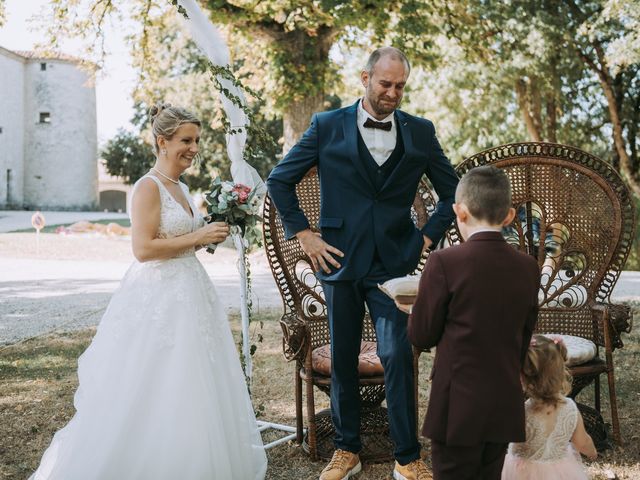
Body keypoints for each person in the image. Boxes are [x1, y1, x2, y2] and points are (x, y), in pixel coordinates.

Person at [29, 104, 267, 480]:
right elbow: (142, 249)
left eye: (196, 141)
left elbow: (185, 236)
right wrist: (199, 235)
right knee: (156, 383)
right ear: (162, 141)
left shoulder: (182, 187)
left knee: (195, 384)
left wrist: (221, 220)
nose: (193, 148)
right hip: (159, 296)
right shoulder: (147, 187)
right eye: (185, 141)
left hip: (191, 292)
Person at [267, 47, 459, 480]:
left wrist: (427, 237)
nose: (392, 93)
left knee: (398, 353)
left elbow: (454, 193)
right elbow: (281, 181)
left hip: (395, 264)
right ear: (365, 78)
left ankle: (408, 457)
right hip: (338, 260)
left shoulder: (421, 132)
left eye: (399, 86)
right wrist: (305, 234)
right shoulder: (326, 125)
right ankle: (346, 450)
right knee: (343, 354)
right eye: (384, 83)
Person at [402, 166, 540, 480]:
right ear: (509, 216)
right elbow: (524, 332)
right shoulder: (528, 267)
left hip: (457, 406)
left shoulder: (444, 262)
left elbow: (421, 335)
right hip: (504, 400)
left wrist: (412, 309)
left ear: (459, 212)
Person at [501, 335, 597, 479]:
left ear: (524, 376)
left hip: (520, 473)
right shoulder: (570, 409)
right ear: (561, 370)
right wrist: (592, 452)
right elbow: (582, 442)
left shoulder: (521, 411)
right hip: (561, 473)